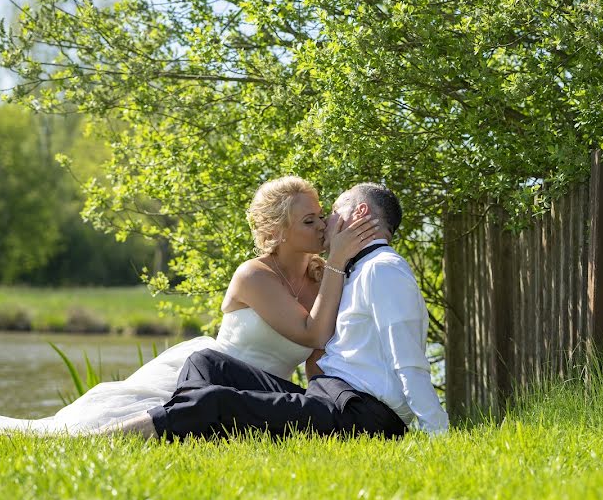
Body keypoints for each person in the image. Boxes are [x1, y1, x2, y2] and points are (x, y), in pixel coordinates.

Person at [0, 176, 379, 434]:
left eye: (321, 215)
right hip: (205, 371)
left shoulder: (324, 278)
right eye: (309, 220)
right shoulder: (255, 275)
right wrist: (340, 260)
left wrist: (334, 409)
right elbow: (310, 333)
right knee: (86, 426)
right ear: (278, 230)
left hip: (260, 394)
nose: (323, 225)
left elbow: (317, 360)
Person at [101, 183, 449, 439]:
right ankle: (188, 429)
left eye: (332, 212)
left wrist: (438, 433)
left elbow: (409, 362)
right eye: (314, 219)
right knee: (207, 363)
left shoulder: (383, 269)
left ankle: (108, 440)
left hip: (361, 416)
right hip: (333, 399)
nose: (327, 222)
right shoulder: (352, 270)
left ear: (358, 215)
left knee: (215, 402)